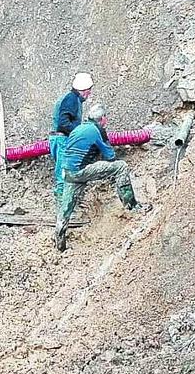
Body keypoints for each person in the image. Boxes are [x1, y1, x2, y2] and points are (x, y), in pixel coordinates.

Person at [55, 103, 151, 251]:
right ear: (102, 119)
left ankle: (59, 242)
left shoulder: (79, 128)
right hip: (81, 170)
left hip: (67, 171)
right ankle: (132, 207)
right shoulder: (96, 130)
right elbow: (110, 156)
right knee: (121, 167)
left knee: (67, 207)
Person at [49, 72, 93, 202]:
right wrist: (80, 133)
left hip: (60, 139)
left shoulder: (71, 99)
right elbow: (64, 123)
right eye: (89, 91)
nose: (89, 94)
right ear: (84, 90)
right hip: (62, 140)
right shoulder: (71, 100)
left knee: (66, 173)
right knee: (64, 174)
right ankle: (63, 209)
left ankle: (66, 206)